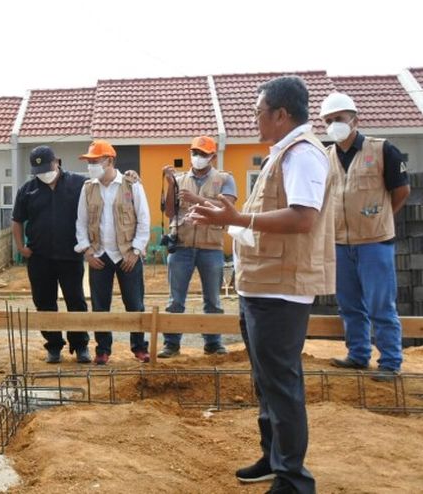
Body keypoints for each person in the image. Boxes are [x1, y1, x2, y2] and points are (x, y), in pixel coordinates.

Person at [190, 76, 335, 494]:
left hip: (281, 289)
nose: (255, 120)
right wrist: (225, 214)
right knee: (267, 381)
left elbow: (302, 218)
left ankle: (294, 478)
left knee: (282, 383)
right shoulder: (281, 155)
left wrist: (235, 220)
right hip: (262, 285)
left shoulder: (303, 155)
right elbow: (264, 217)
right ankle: (274, 458)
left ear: (281, 114)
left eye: (259, 113)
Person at [319, 92, 410, 382]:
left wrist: (380, 218)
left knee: (381, 304)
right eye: (329, 120)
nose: (334, 125)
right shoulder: (326, 157)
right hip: (340, 243)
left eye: (340, 119)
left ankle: (390, 362)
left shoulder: (382, 150)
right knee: (349, 304)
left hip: (375, 243)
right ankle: (358, 355)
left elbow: (401, 191)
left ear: (354, 119)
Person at [158, 136, 237, 358]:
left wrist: (196, 199)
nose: (198, 157)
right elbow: (170, 213)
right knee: (175, 300)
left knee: (213, 299)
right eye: (195, 153)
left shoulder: (224, 179)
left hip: (211, 246)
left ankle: (213, 342)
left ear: (212, 156)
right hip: (182, 245)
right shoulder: (180, 179)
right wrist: (170, 184)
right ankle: (171, 344)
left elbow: (227, 209)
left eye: (203, 154)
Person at [12, 146, 91, 363]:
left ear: (57, 162)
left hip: (70, 255)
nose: (44, 173)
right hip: (40, 258)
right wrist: (21, 247)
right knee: (44, 303)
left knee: (76, 301)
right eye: (39, 170)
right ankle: (53, 346)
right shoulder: (27, 190)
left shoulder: (78, 183)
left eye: (47, 168)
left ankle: (80, 345)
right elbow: (16, 220)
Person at [75, 140, 151, 365]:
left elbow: (144, 220)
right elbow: (81, 222)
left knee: (134, 303)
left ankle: (139, 347)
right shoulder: (88, 188)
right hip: (99, 255)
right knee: (100, 305)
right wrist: (87, 252)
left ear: (109, 160)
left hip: (127, 254)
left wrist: (136, 251)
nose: (91, 165)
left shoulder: (131, 185)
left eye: (94, 161)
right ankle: (103, 349)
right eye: (89, 162)